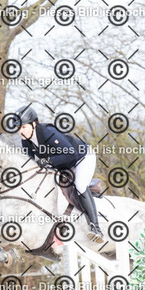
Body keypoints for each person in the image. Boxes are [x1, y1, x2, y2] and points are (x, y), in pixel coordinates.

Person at [13, 104, 104, 243]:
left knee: (80, 185)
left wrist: (48, 161)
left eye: (23, 127)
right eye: (18, 128)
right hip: (63, 164)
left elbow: (71, 154)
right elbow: (31, 164)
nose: (20, 131)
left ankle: (95, 227)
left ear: (33, 124)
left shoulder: (47, 131)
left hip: (82, 157)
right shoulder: (26, 141)